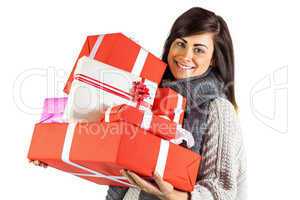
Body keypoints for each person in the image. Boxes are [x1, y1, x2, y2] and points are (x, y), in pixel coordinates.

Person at [106, 7, 247, 200]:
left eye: (198, 49)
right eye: (181, 44)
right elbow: (116, 154)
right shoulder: (148, 95)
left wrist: (172, 195)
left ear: (213, 59)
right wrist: (64, 158)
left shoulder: (218, 108)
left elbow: (222, 191)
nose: (185, 55)